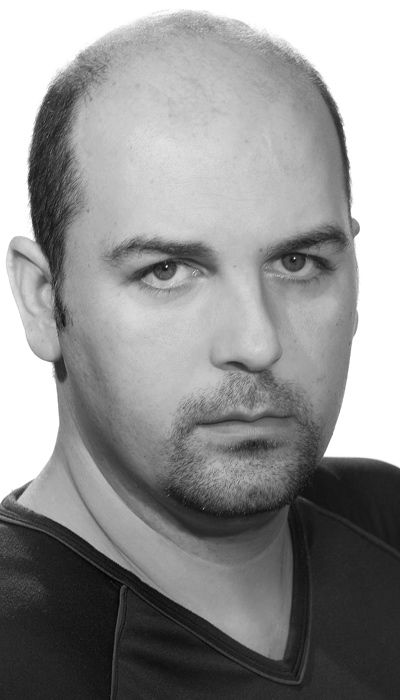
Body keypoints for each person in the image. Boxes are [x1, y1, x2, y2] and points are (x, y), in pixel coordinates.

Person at [1, 10, 400, 699]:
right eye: (167, 271)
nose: (257, 342)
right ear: (44, 300)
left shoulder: (386, 520)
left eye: (298, 263)